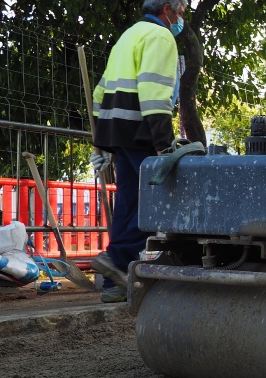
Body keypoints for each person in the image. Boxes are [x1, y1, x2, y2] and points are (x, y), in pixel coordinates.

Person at [89, 0, 186, 303]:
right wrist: (164, 144)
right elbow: (154, 92)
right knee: (155, 203)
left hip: (117, 130)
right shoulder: (161, 37)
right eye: (181, 9)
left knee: (129, 202)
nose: (182, 16)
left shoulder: (129, 35)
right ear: (167, 8)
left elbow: (99, 93)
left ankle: (113, 283)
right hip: (140, 130)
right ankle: (116, 259)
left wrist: (100, 141)